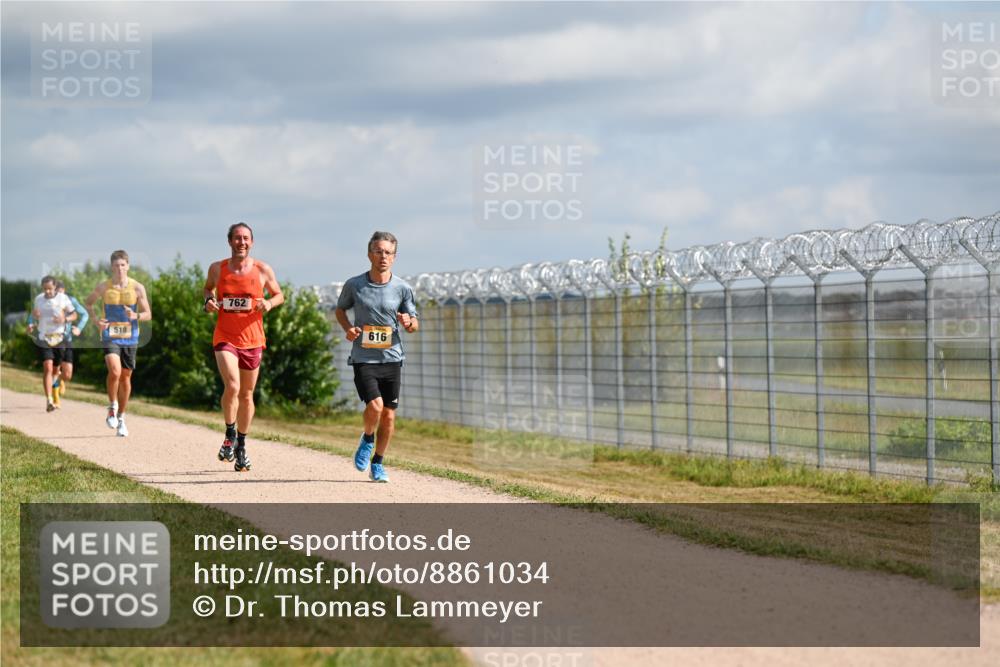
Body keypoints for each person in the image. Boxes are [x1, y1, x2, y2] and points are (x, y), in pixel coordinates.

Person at [335, 231, 419, 483]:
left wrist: (408, 322)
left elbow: (414, 323)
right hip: (364, 357)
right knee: (375, 406)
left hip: (392, 357)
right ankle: (367, 438)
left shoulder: (402, 288)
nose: (383, 256)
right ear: (369, 253)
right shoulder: (355, 285)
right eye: (378, 251)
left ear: (394, 257)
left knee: (390, 415)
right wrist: (348, 328)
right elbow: (340, 310)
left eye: (388, 252)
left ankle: (378, 463)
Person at [203, 222, 283, 472]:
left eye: (246, 238)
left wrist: (268, 305)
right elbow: (208, 289)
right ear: (230, 241)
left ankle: (241, 446)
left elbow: (279, 294)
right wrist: (209, 302)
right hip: (225, 336)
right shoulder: (218, 268)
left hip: (253, 339)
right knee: (233, 386)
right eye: (237, 238)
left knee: (247, 394)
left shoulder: (262, 269)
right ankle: (229, 433)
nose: (242, 242)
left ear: (252, 242)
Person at [85, 250, 152, 437]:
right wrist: (96, 320)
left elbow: (148, 314)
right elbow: (88, 303)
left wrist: (136, 315)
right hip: (110, 334)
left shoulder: (138, 287)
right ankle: (112, 406)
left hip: (131, 336)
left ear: (128, 266)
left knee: (125, 377)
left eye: (123, 265)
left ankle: (122, 418)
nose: (120, 268)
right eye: (116, 265)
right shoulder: (104, 287)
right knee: (114, 371)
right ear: (111, 267)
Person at [26, 279, 89, 407]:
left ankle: (59, 382)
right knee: (50, 368)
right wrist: (30, 323)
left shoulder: (70, 300)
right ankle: (52, 398)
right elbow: (33, 315)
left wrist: (78, 328)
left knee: (66, 373)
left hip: (66, 339)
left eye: (59, 292)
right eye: (47, 290)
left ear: (63, 291)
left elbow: (83, 315)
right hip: (48, 338)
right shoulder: (42, 300)